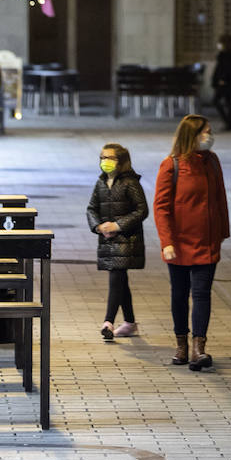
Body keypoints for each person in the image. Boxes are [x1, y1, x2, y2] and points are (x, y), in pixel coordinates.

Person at [153, 114, 229, 370]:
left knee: (202, 294)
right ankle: (181, 344)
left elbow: (220, 200)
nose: (210, 135)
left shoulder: (212, 162)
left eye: (209, 131)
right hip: (178, 244)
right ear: (192, 135)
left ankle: (199, 348)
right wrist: (167, 241)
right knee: (179, 294)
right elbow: (161, 207)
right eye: (205, 132)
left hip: (207, 242)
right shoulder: (171, 165)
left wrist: (221, 234)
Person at [86, 142, 148, 340]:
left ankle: (108, 322)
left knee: (116, 275)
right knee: (120, 280)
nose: (105, 162)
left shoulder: (130, 183)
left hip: (127, 240)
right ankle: (129, 322)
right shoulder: (101, 183)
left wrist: (118, 225)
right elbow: (91, 208)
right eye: (102, 158)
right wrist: (98, 226)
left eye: (110, 158)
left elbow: (141, 210)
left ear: (121, 162)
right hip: (107, 239)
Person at [210, 33, 231, 131]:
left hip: (224, 83)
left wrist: (222, 80)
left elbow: (226, 69)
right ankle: (229, 124)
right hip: (228, 83)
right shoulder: (228, 55)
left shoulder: (226, 55)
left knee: (216, 101)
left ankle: (228, 122)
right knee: (228, 103)